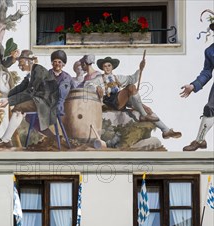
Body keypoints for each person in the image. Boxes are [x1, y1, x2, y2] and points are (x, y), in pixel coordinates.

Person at [87, 57, 182, 140]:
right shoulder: (99, 78)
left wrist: (140, 69)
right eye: (105, 66)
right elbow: (87, 84)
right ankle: (144, 115)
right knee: (131, 87)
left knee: (148, 109)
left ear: (112, 67)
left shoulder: (118, 77)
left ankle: (166, 131)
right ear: (102, 68)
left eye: (109, 65)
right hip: (111, 102)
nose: (107, 68)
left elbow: (132, 78)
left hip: (121, 99)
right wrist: (96, 87)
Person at [0, 50, 59, 148]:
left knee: (19, 107)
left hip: (47, 102)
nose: (19, 65)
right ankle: (54, 138)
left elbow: (30, 92)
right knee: (20, 107)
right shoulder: (31, 73)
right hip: (40, 99)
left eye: (21, 62)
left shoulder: (39, 71)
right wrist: (5, 96)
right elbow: (21, 87)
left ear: (29, 61)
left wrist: (9, 101)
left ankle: (5, 140)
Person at [180, 16, 214, 151]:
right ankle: (200, 140)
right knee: (209, 109)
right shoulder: (210, 51)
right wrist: (194, 85)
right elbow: (207, 72)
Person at [48, 50, 72, 116]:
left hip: (63, 108)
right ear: (52, 63)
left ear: (63, 64)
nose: (57, 64)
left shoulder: (67, 77)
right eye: (55, 62)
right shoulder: (45, 75)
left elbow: (74, 89)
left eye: (59, 62)